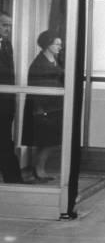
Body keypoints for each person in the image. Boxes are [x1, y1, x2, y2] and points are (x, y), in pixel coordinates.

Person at [22, 31, 64, 182]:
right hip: (43, 107)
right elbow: (37, 86)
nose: (60, 47)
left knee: (50, 141)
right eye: (57, 44)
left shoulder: (55, 59)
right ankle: (38, 169)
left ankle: (39, 168)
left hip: (55, 106)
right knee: (47, 141)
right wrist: (40, 110)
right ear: (48, 45)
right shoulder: (39, 63)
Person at [0, 11, 24, 183]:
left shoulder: (7, 44)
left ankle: (13, 178)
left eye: (9, 25)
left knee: (5, 139)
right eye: (4, 25)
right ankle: (13, 178)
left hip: (5, 103)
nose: (8, 29)